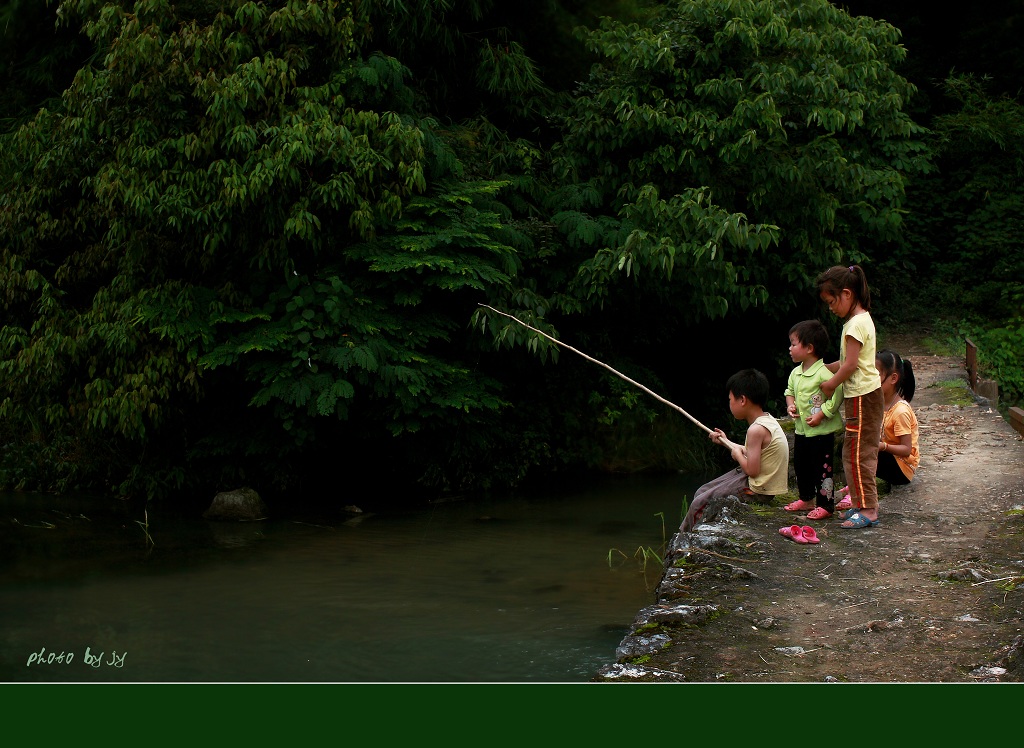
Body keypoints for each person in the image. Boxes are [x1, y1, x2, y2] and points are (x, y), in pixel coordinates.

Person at [816, 264, 884, 529]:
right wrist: (821, 369)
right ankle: (859, 504)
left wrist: (831, 384)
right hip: (861, 397)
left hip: (863, 397)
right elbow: (845, 362)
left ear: (846, 293)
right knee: (851, 452)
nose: (831, 308)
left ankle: (869, 509)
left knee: (859, 454)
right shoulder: (859, 321)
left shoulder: (855, 325)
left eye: (832, 301)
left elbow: (851, 366)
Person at [680, 369, 790, 532]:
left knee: (698, 503)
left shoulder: (756, 430)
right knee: (701, 492)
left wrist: (737, 455)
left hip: (758, 490)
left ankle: (684, 538)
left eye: (730, 399)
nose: (729, 403)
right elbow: (751, 451)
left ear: (742, 400)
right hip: (759, 483)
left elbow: (752, 470)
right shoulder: (767, 420)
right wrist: (725, 441)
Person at [783, 320, 844, 519]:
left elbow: (838, 392)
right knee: (801, 465)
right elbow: (789, 392)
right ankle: (806, 498)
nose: (790, 348)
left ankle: (826, 505)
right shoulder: (796, 373)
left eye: (793, 344)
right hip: (802, 430)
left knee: (823, 469)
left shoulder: (823, 372)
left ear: (809, 348)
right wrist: (790, 405)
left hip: (822, 432)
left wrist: (822, 413)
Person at [876, 348, 920, 486]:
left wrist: (882, 446)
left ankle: (861, 491)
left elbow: (906, 450)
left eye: (876, 375)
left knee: (867, 453)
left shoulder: (901, 411)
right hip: (889, 459)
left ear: (893, 378)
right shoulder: (879, 403)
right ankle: (856, 486)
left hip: (903, 469)